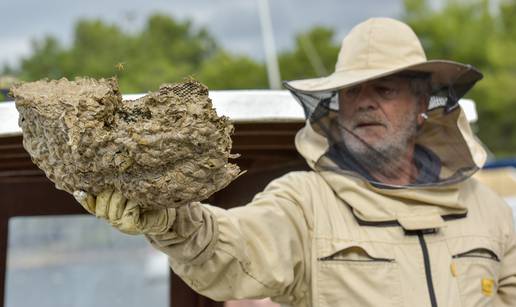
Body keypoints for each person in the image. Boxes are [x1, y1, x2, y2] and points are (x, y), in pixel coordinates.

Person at [74, 17, 516, 307]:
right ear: (336, 107)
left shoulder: (489, 212)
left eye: (384, 91)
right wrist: (166, 217)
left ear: (422, 104)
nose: (364, 105)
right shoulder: (303, 203)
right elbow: (229, 249)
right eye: (351, 92)